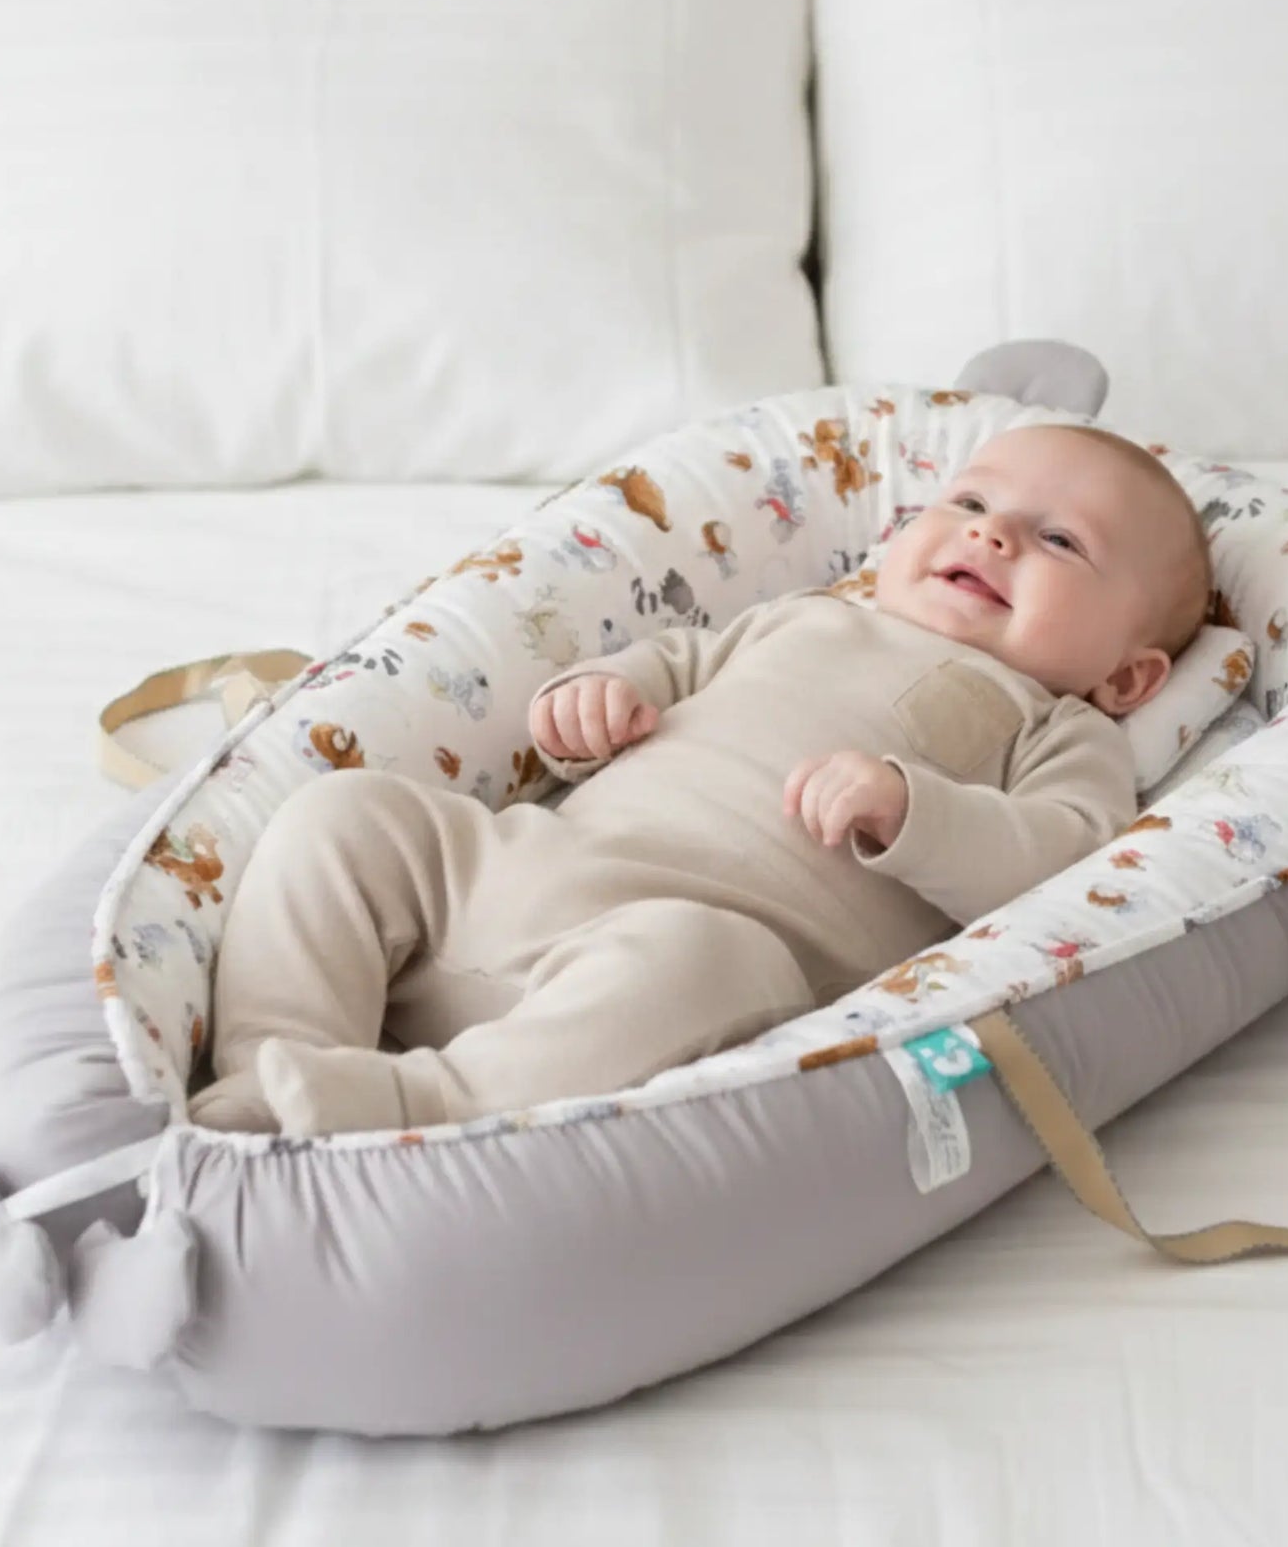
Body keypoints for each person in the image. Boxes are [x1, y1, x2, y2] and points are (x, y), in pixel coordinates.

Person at [187, 421, 1213, 1137]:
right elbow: (671, 667)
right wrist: (595, 699)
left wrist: (916, 811)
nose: (992, 534)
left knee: (712, 954)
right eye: (973, 500)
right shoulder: (802, 616)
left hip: (662, 973)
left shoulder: (1059, 726)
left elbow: (1067, 866)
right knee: (349, 814)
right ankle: (272, 1066)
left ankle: (423, 1105)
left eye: (1060, 541)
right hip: (526, 868)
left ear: (1128, 675)